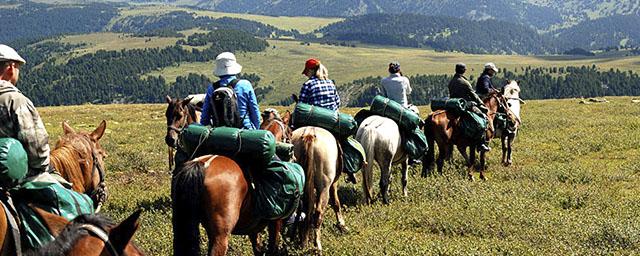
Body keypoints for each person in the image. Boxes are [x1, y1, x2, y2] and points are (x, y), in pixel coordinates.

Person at [0, 44, 51, 178]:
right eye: (18, 67)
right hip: (15, 179)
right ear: (11, 68)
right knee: (74, 198)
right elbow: (38, 153)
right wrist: (46, 165)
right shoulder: (15, 101)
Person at [201, 52, 261, 130]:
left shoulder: (212, 88)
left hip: (218, 132)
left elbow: (205, 118)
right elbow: (254, 111)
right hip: (244, 130)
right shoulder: (245, 85)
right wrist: (255, 129)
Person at [449, 63, 491, 152]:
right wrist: (481, 104)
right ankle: (481, 144)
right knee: (483, 118)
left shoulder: (452, 81)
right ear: (463, 70)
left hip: (453, 104)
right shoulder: (464, 82)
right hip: (464, 104)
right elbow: (473, 95)